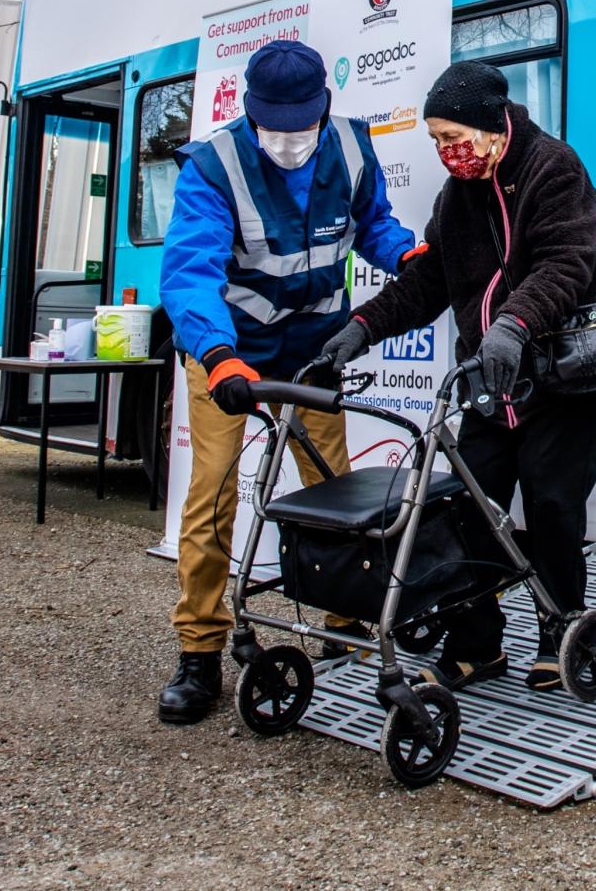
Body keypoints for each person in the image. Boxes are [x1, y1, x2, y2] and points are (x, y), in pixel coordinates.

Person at [322, 60, 596, 692]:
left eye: (452, 138)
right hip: (496, 385)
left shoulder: (554, 169)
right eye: (435, 140)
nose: (445, 151)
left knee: (551, 503)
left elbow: (567, 263)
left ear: (491, 128)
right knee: (467, 508)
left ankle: (559, 625)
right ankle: (478, 643)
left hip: (569, 380)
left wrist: (513, 324)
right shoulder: (456, 197)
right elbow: (430, 280)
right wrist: (362, 328)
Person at [154, 39, 415, 725]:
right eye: (275, 131)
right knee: (211, 493)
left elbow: (373, 227)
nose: (290, 145)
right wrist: (217, 355)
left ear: (323, 111)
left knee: (332, 486)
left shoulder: (353, 149)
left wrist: (409, 252)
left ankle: (349, 616)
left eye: (302, 130)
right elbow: (190, 272)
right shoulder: (213, 167)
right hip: (230, 353)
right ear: (251, 113)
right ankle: (200, 648)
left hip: (311, 352)